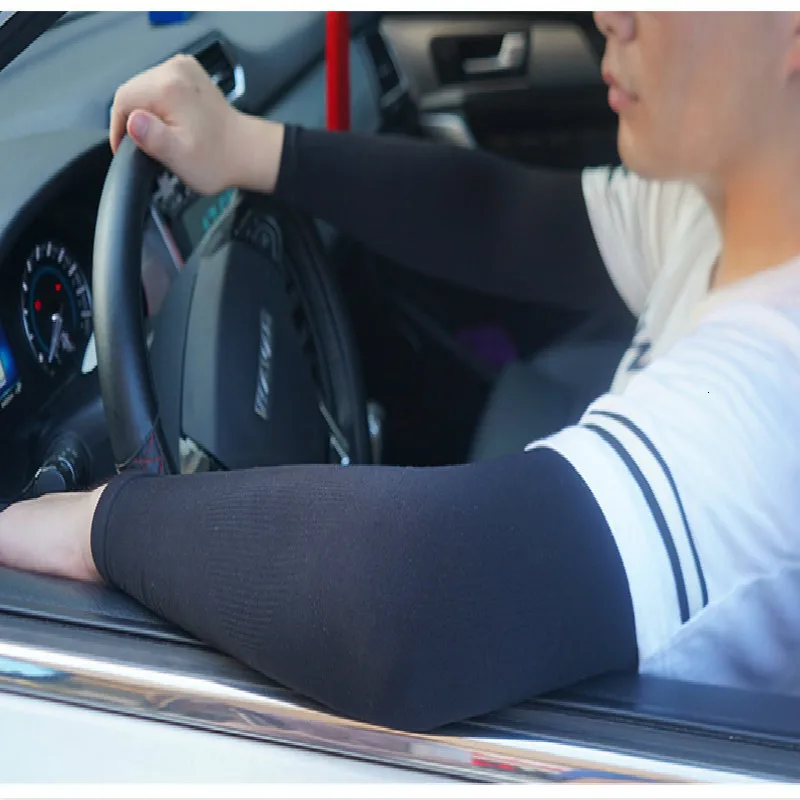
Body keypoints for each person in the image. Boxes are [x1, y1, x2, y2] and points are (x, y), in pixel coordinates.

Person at [2, 11, 800, 731]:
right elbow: (509, 221)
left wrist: (94, 527)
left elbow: (418, 599)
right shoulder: (720, 212)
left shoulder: (770, 394)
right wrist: (247, 147)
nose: (609, 14)